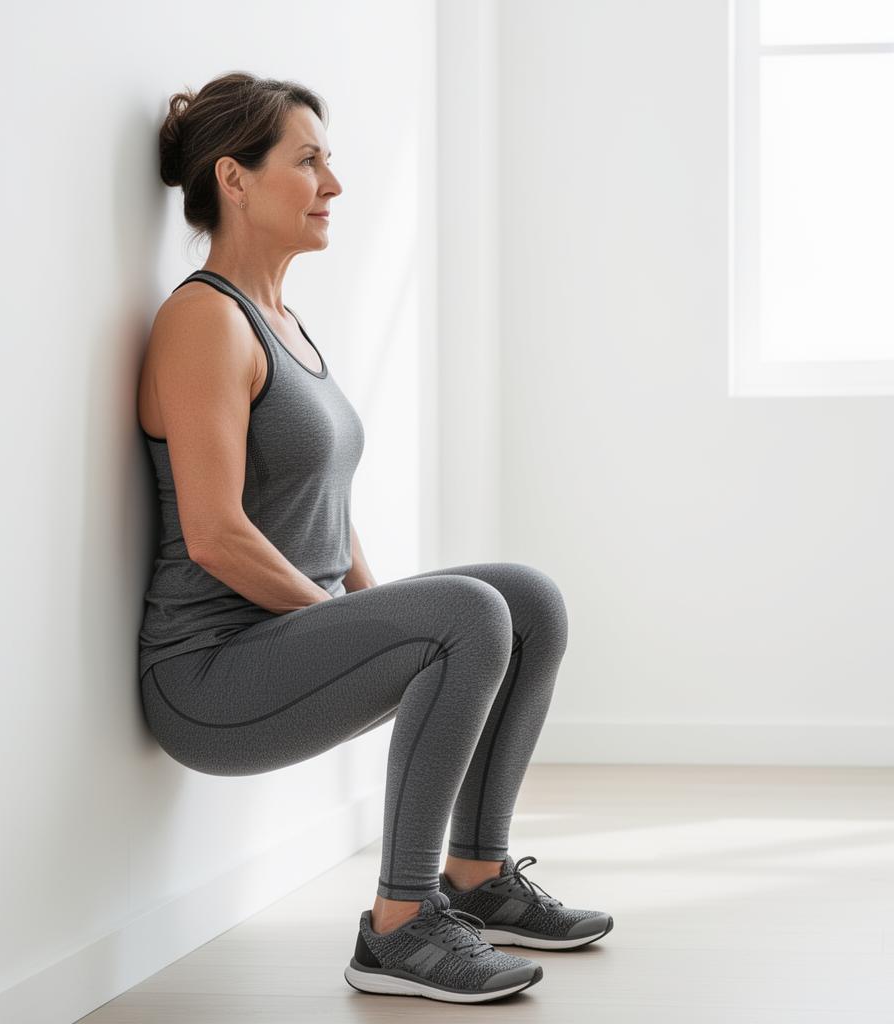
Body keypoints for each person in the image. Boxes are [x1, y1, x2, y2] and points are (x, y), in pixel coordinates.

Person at [138, 71, 613, 1004]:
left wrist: (386, 619)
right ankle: (399, 928)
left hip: (282, 641)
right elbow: (215, 536)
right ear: (233, 179)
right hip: (207, 676)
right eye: (308, 160)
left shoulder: (283, 324)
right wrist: (368, 626)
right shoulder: (202, 321)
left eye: (330, 160)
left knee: (526, 599)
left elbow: (326, 500)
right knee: (469, 613)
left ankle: (477, 878)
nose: (333, 184)